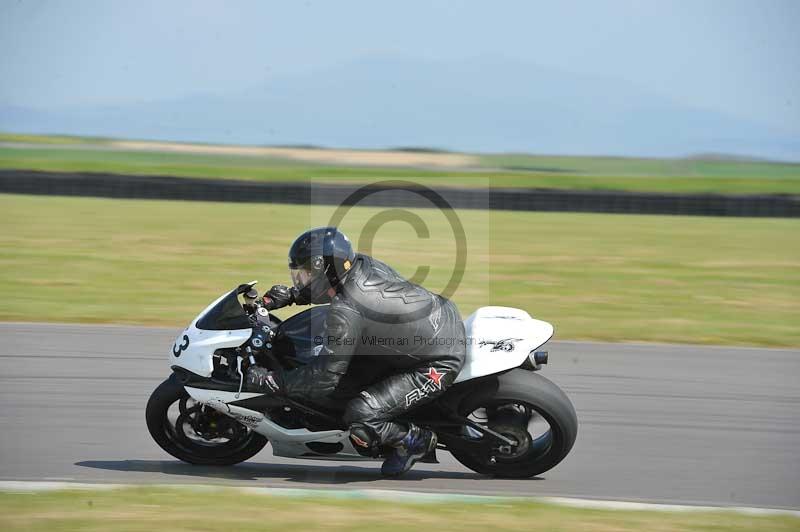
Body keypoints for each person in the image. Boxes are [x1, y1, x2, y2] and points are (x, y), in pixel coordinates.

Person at [245, 226, 466, 477]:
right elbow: (329, 286)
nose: (301, 280)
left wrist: (273, 381)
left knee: (360, 414)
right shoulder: (360, 264)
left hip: (436, 361)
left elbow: (323, 379)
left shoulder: (347, 310)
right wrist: (295, 295)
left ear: (326, 269)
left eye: (306, 275)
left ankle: (415, 440)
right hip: (439, 318)